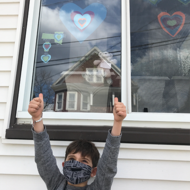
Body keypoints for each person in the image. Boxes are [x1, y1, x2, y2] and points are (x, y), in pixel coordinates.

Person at [28, 93, 126, 190]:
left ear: (93, 171)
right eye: (71, 159)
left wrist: (118, 122)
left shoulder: (98, 188)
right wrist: (37, 118)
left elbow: (108, 167)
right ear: (64, 165)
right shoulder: (56, 184)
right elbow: (43, 159)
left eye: (84, 161)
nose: (76, 164)